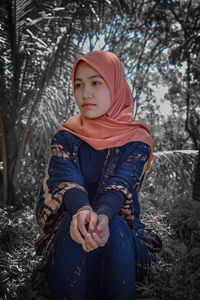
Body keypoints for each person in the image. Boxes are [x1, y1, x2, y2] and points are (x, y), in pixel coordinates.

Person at [35, 50, 162, 300]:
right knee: (77, 227)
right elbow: (66, 180)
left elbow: (120, 184)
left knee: (111, 226)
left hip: (120, 242)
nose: (85, 93)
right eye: (78, 85)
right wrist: (83, 212)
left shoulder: (137, 140)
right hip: (68, 238)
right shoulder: (65, 137)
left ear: (115, 86)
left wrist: (101, 217)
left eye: (96, 82)